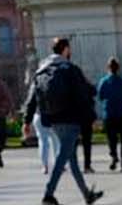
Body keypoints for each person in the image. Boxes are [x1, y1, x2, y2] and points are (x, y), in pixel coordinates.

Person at [22, 37, 104, 205]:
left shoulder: (41, 70)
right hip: (71, 119)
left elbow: (32, 97)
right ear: (65, 49)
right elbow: (82, 96)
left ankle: (87, 194)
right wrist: (92, 117)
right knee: (62, 157)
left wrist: (27, 120)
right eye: (69, 48)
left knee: (71, 158)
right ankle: (48, 195)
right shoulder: (70, 69)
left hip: (52, 119)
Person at [94, 58, 122, 172]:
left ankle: (114, 155)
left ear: (108, 68)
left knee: (111, 138)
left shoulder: (103, 82)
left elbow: (100, 96)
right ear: (118, 68)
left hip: (109, 114)